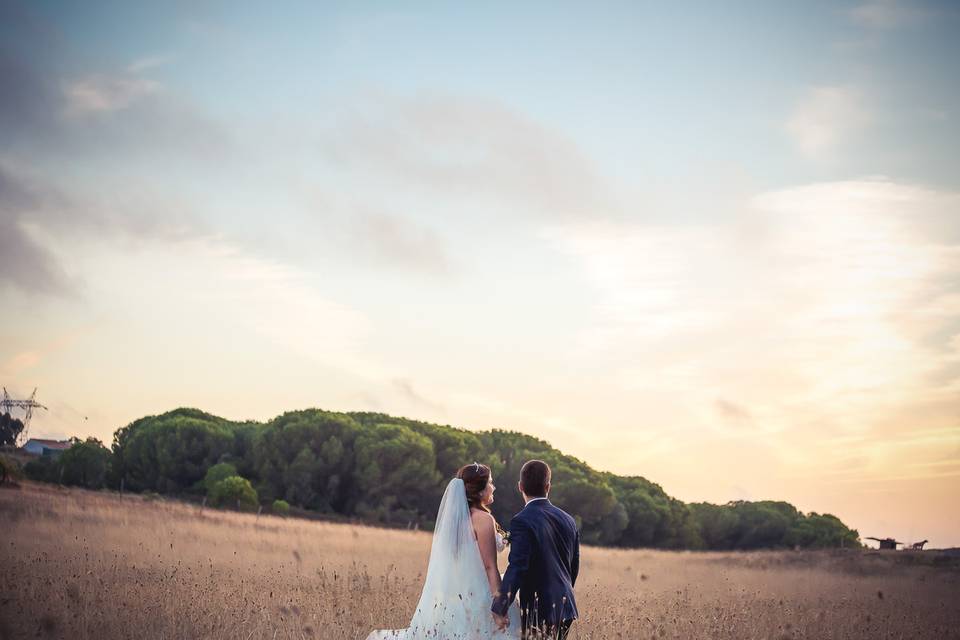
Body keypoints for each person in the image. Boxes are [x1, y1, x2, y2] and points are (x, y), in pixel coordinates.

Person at [366, 463, 521, 640]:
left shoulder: (455, 522)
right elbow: (489, 567)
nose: (493, 487)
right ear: (479, 491)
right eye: (490, 483)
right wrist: (498, 604)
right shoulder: (484, 520)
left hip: (456, 595)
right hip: (480, 594)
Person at [491, 460, 580, 639]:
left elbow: (517, 567)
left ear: (520, 486)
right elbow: (574, 565)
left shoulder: (522, 520)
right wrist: (562, 594)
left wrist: (500, 606)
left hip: (540, 607)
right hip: (566, 605)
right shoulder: (568, 520)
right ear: (548, 486)